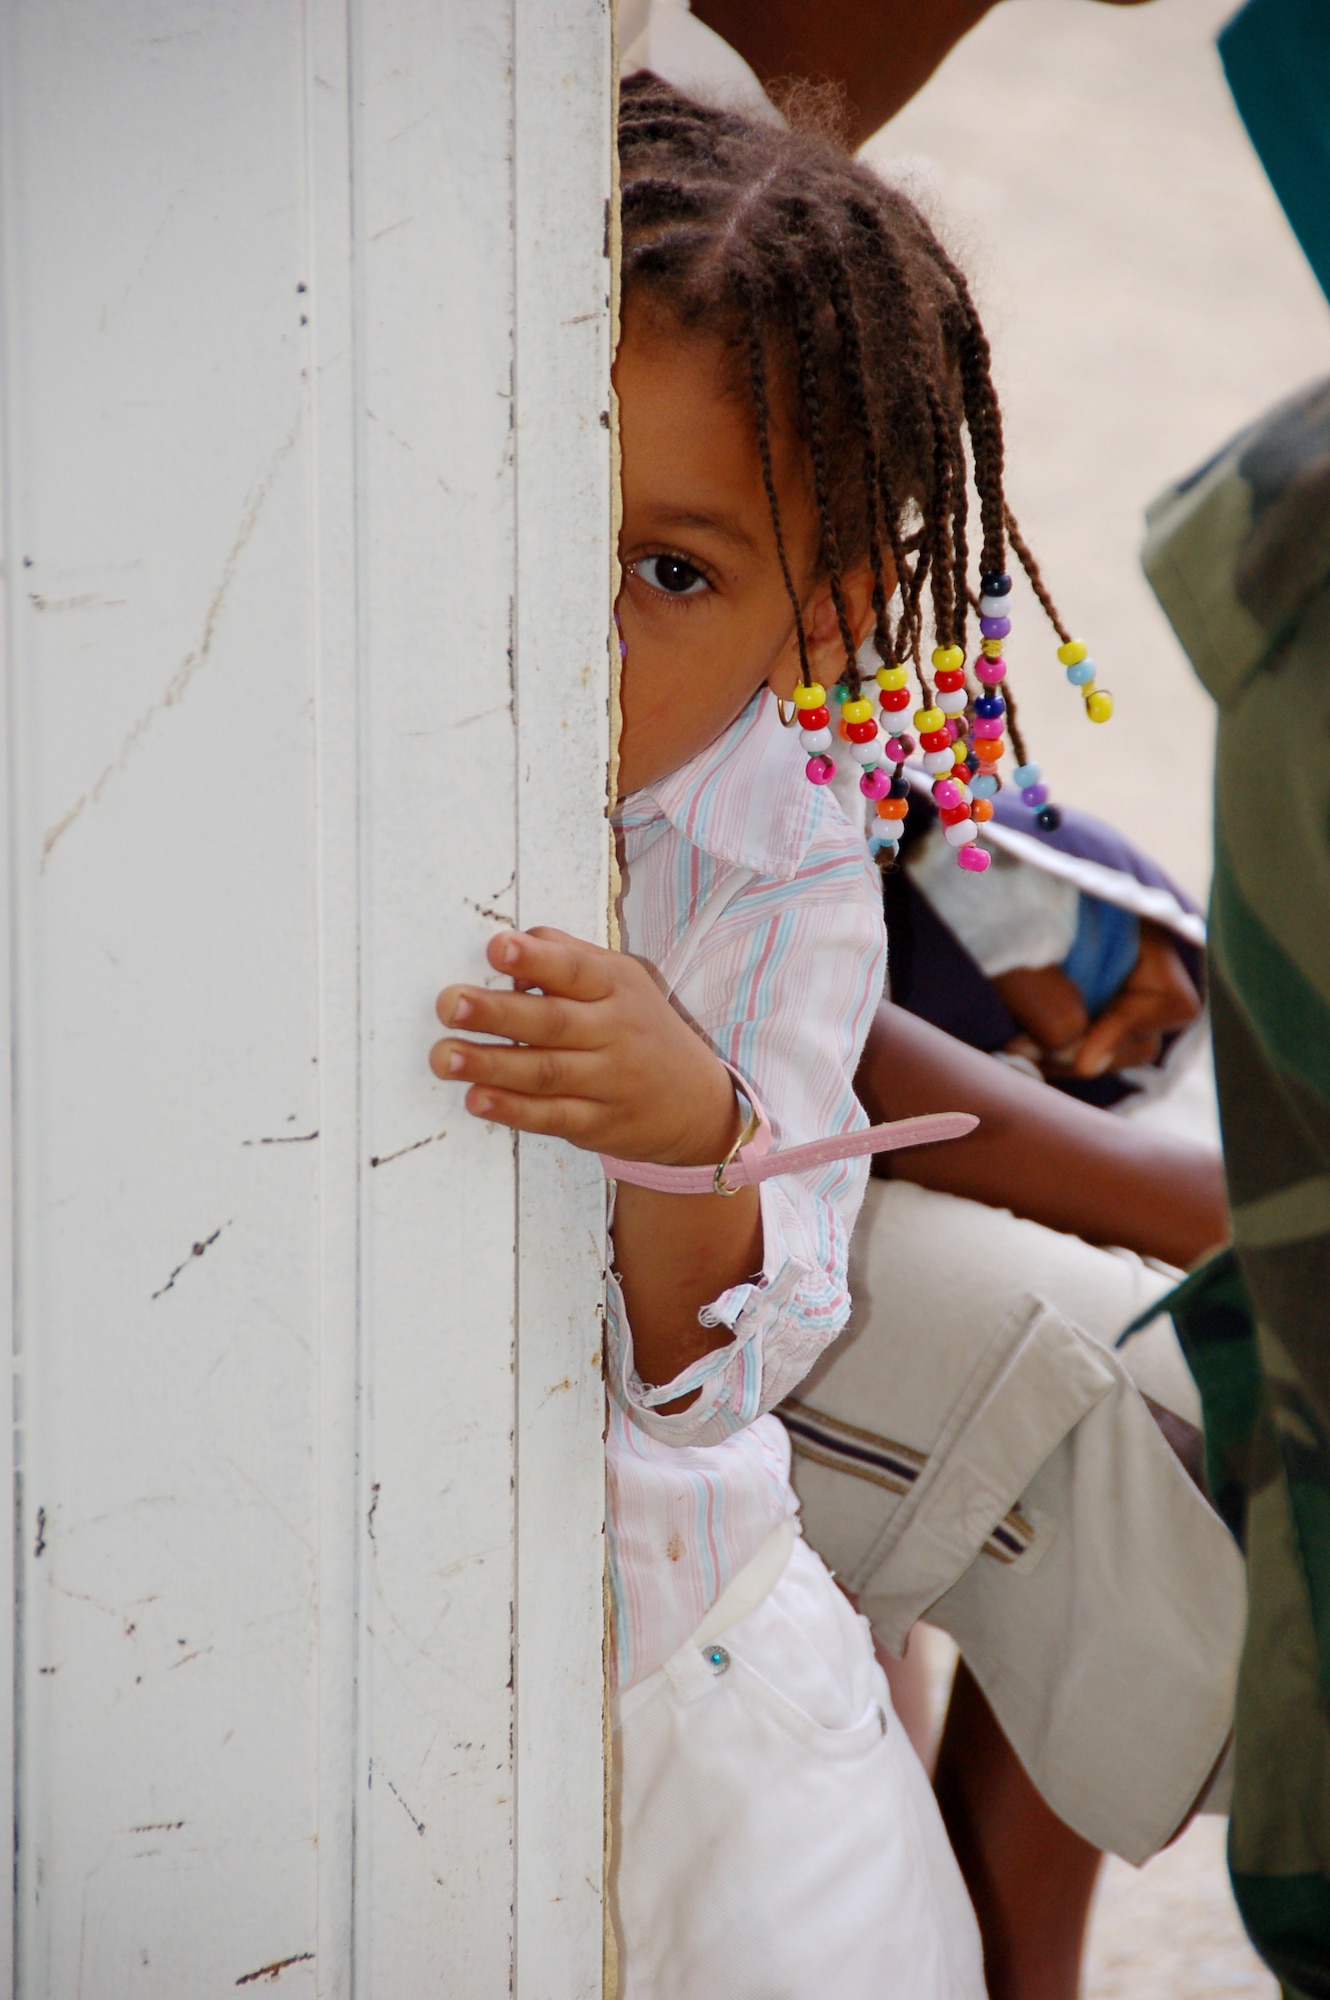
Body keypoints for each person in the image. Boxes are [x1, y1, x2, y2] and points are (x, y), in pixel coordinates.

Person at [431, 69, 1130, 1995]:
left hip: (670, 1654)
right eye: (530, 513)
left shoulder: (774, 857)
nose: (572, 631)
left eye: (669, 572)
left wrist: (683, 1129)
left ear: (815, 621)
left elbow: (724, 1366)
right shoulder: (365, 759)